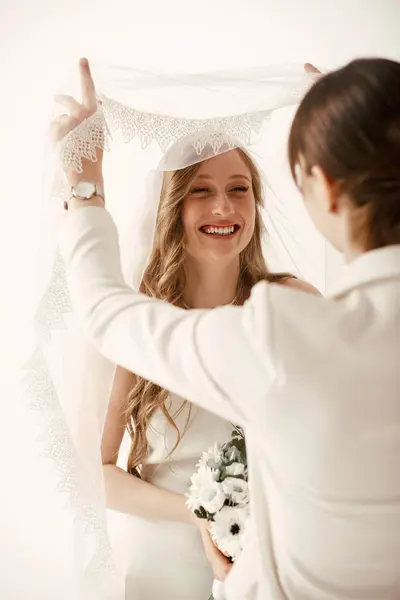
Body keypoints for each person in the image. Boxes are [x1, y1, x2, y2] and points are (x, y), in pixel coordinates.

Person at [57, 56, 400, 600]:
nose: (223, 205)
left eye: (240, 189)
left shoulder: (286, 315)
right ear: (173, 207)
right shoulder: (291, 324)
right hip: (165, 560)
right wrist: (199, 513)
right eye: (200, 190)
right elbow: (93, 468)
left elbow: (103, 308)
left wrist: (84, 189)